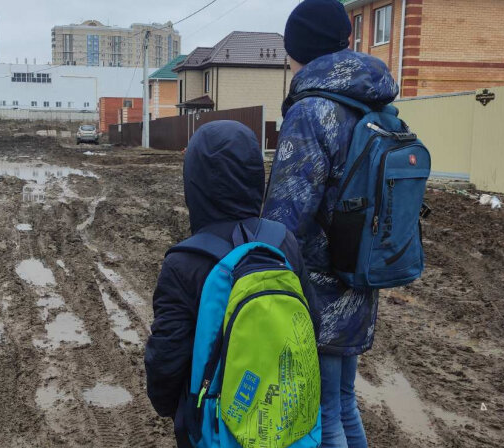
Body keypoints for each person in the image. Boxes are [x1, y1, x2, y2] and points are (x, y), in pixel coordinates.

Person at [262, 1, 400, 447]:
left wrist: (259, 269)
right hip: (360, 274)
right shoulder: (371, 101)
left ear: (300, 47)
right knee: (342, 402)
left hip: (316, 285)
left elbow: (286, 214)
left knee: (322, 411)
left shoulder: (312, 111)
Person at [144, 120, 318, 447]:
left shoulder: (183, 262)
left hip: (216, 429)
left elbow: (166, 359)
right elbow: (312, 326)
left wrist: (172, 409)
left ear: (193, 183)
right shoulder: (283, 242)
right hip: (280, 420)